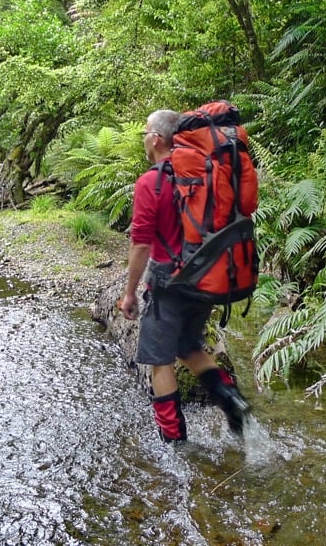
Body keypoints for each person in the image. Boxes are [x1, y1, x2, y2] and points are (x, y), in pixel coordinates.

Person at [118, 109, 252, 442]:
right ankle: (231, 399)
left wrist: (130, 292)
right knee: (186, 345)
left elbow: (141, 244)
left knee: (160, 361)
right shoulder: (206, 174)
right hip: (206, 278)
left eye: (145, 134)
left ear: (156, 139)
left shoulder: (151, 182)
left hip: (168, 284)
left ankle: (173, 441)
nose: (144, 140)